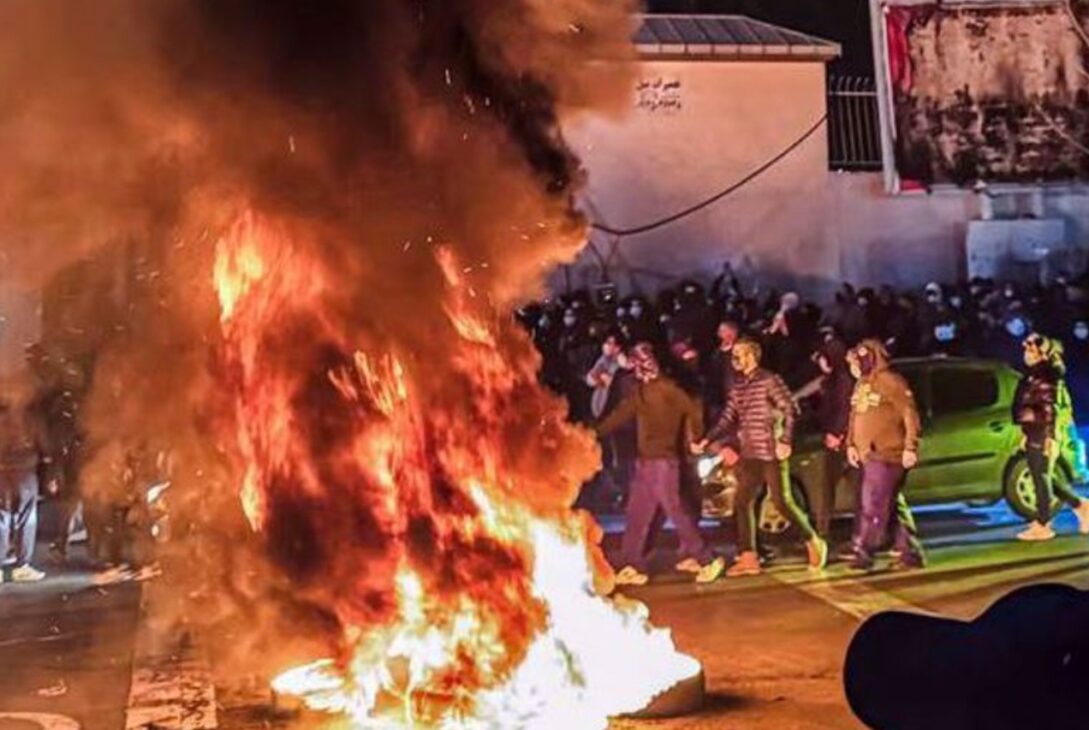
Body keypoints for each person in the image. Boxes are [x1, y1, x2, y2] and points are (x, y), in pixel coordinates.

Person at [596, 343, 726, 586]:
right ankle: (633, 565)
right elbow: (619, 416)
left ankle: (707, 559)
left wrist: (697, 438)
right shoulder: (643, 391)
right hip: (647, 463)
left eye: (636, 363)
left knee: (676, 512)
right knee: (637, 513)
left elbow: (693, 408)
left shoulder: (666, 388)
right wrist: (591, 433)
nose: (634, 368)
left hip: (664, 463)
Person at [699, 338, 828, 577]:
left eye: (739, 353)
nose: (735, 358)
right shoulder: (738, 385)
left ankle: (813, 540)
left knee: (781, 501)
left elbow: (790, 409)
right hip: (749, 452)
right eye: (734, 354)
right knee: (742, 502)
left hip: (770, 451)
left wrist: (785, 440)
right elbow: (728, 416)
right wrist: (707, 438)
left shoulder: (769, 379)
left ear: (752, 356)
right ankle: (748, 558)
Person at [845, 340, 925, 571]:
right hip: (868, 454)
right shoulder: (862, 384)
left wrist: (910, 446)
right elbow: (855, 415)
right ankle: (908, 552)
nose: (856, 365)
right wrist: (851, 444)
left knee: (873, 504)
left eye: (860, 359)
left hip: (888, 453)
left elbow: (909, 414)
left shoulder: (891, 381)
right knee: (889, 504)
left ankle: (864, 551)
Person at [1012, 334, 1089, 541]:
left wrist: (1048, 437)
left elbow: (1048, 409)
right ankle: (1081, 506)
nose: (1026, 353)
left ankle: (1043, 524)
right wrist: (1025, 432)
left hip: (1043, 432)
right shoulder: (1035, 374)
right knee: (1043, 476)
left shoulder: (1046, 375)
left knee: (1042, 477)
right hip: (1034, 431)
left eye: (1030, 350)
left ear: (1042, 354)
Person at [796, 336, 855, 539]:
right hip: (836, 442)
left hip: (844, 443)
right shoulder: (831, 381)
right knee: (829, 488)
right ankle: (823, 531)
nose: (819, 362)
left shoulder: (843, 382)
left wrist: (836, 434)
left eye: (822, 358)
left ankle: (826, 532)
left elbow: (845, 409)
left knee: (848, 488)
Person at [0, 380, 52, 583]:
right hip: (25, 474)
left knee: (2, 518)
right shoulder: (32, 421)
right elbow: (45, 447)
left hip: (1, 474)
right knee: (26, 518)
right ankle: (22, 566)